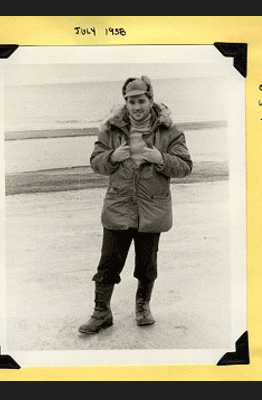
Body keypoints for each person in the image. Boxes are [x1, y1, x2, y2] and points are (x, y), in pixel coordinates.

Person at [78, 75, 193, 334]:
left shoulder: (170, 131)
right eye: (131, 101)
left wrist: (160, 158)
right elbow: (96, 162)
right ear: (125, 103)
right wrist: (112, 157)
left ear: (151, 100)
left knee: (146, 266)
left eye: (141, 100)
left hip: (152, 211)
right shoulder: (111, 129)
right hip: (119, 207)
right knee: (108, 265)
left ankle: (143, 307)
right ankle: (101, 313)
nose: (136, 106)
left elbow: (186, 167)